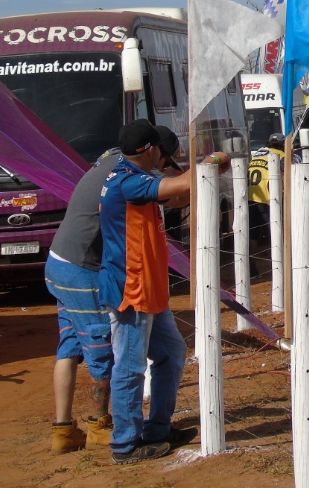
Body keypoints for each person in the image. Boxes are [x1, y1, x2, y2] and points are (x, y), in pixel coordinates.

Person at [46, 123, 184, 454]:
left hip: (62, 261)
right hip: (84, 268)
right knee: (105, 350)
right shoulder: (129, 176)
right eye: (167, 161)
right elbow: (174, 192)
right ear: (153, 152)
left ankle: (63, 431)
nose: (166, 169)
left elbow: (173, 188)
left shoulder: (115, 161)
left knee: (70, 347)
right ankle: (103, 429)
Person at [99, 119, 229, 465]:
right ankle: (125, 445)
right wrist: (214, 160)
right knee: (129, 368)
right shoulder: (129, 183)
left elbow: (176, 195)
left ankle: (156, 429)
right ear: (152, 150)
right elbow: (183, 183)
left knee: (170, 354)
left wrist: (201, 177)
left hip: (149, 290)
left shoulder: (133, 178)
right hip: (133, 290)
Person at [247, 132, 286, 267]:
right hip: (267, 197)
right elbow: (285, 174)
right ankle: (279, 264)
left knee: (253, 234)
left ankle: (251, 267)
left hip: (251, 195)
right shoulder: (281, 155)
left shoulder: (258, 152)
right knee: (275, 231)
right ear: (282, 145)